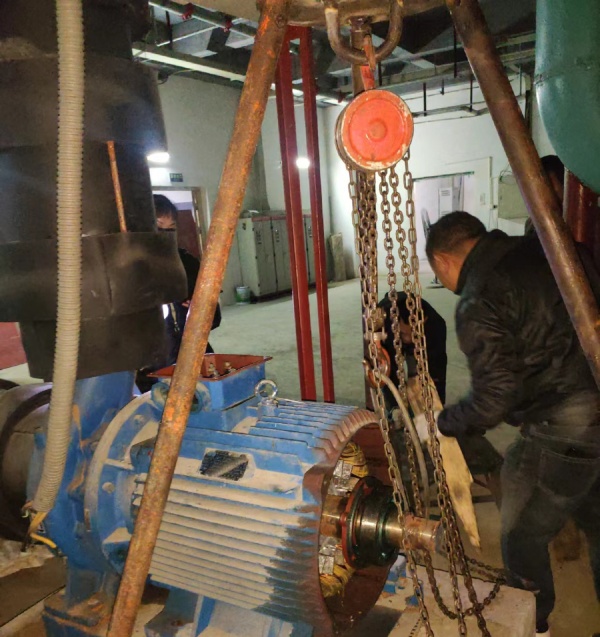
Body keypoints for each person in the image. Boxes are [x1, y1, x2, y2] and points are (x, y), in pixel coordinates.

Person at [421, 210, 600, 636]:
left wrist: (443, 423)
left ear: (443, 261)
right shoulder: (553, 251)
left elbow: (493, 399)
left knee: (520, 534)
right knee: (597, 522)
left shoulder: (480, 299)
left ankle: (534, 626)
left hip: (563, 428)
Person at [136, 195, 221, 392]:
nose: (165, 234)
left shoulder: (188, 263)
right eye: (159, 227)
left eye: (171, 228)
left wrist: (202, 310)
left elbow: (214, 316)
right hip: (154, 367)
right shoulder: (131, 269)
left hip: (196, 356)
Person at [378, 291, 447, 403]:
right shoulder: (386, 321)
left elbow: (438, 372)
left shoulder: (436, 326)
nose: (407, 339)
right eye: (404, 333)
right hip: (393, 334)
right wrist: (395, 405)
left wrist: (438, 405)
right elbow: (389, 371)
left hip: (423, 340)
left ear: (423, 321)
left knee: (418, 376)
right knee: (390, 372)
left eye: (412, 334)